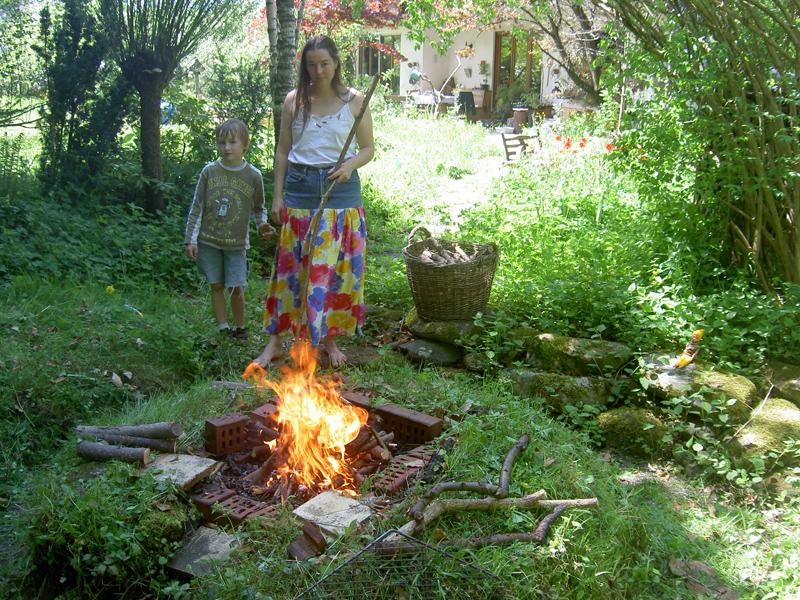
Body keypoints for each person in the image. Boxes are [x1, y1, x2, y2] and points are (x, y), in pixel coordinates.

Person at [253, 35, 374, 368]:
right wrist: (277, 195)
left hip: (340, 194)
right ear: (304, 67)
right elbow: (282, 151)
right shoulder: (294, 101)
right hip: (300, 188)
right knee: (290, 269)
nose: (318, 71)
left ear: (335, 63)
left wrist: (350, 165)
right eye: (311, 64)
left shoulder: (355, 101)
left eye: (324, 63)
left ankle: (328, 341)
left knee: (331, 272)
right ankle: (275, 343)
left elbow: (368, 149)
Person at [184, 118, 275, 340]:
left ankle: (240, 328)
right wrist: (191, 239)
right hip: (209, 241)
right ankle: (223, 327)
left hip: (236, 244)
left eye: (232, 142)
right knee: (216, 285)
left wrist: (261, 225)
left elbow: (258, 208)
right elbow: (198, 206)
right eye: (221, 142)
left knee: (236, 287)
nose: (226, 148)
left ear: (245, 144)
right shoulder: (209, 172)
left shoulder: (253, 175)